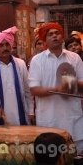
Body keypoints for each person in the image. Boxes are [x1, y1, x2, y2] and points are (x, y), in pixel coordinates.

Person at [28, 22, 83, 154]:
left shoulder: (74, 58)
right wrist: (57, 89)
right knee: (51, 157)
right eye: (50, 34)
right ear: (45, 40)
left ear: (62, 36)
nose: (54, 36)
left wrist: (71, 83)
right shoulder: (37, 60)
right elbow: (34, 89)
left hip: (73, 118)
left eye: (57, 33)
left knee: (76, 157)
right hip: (49, 120)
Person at [0, 26, 34, 126]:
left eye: (7, 44)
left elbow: (27, 90)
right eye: (1, 45)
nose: (5, 48)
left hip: (20, 115)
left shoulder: (20, 64)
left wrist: (30, 112)